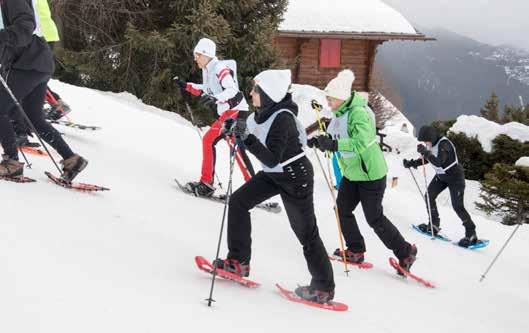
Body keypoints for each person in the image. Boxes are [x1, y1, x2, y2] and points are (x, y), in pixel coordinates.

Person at [214, 69, 335, 304]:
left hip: (294, 175)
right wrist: (234, 127)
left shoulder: (284, 119)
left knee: (305, 233)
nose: (250, 93)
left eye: (255, 90)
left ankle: (324, 288)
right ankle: (238, 262)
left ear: (268, 94)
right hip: (273, 174)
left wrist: (247, 138)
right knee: (239, 202)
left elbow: (271, 157)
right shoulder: (260, 113)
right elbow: (250, 127)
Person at [310, 69, 417, 273]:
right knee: (342, 209)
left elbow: (362, 142)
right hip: (352, 174)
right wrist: (319, 141)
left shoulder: (358, 113)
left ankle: (405, 252)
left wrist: (333, 145)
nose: (328, 102)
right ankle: (356, 250)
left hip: (371, 175)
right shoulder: (338, 113)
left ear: (341, 98)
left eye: (331, 99)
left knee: (374, 218)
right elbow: (334, 137)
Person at [0, 0, 87, 180]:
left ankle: (12, 163)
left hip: (26, 63)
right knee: (35, 118)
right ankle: (71, 158)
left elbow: (25, 28)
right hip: (38, 62)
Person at [175, 38, 253, 197]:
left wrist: (216, 98)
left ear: (206, 54)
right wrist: (187, 86)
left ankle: (252, 188)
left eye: (198, 55)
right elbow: (207, 89)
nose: (195, 58)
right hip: (229, 112)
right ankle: (208, 183)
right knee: (226, 145)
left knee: (230, 147)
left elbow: (232, 90)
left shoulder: (219, 68)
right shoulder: (208, 70)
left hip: (235, 111)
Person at [403, 125, 480, 247]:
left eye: (426, 140)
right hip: (442, 176)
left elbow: (439, 162)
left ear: (432, 137)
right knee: (429, 196)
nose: (425, 143)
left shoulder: (444, 144)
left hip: (455, 177)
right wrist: (412, 163)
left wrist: (425, 152)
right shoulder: (432, 144)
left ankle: (471, 234)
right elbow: (428, 159)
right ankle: (434, 225)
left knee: (457, 206)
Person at [35, 0, 70, 120]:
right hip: (46, 33)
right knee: (34, 74)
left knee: (30, 74)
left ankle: (55, 104)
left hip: (38, 35)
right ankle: (55, 103)